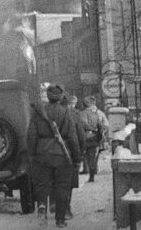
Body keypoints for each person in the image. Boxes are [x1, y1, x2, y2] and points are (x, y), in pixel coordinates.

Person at [27, 83, 81, 228]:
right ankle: (60, 219)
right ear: (61, 97)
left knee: (43, 184)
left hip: (42, 154)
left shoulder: (38, 113)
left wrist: (32, 155)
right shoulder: (66, 112)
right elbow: (72, 137)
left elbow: (31, 135)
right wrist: (77, 158)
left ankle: (42, 207)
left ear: (49, 97)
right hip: (62, 155)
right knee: (62, 187)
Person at [77, 96, 111, 181]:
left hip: (84, 137)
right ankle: (92, 171)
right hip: (95, 137)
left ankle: (86, 170)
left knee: (83, 155)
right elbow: (105, 125)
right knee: (92, 155)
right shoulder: (98, 113)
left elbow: (81, 124)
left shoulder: (81, 113)